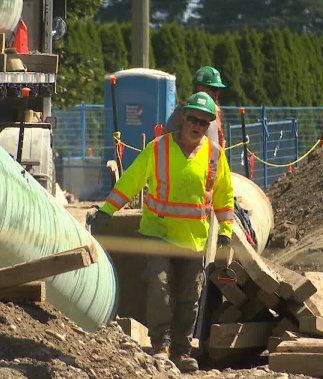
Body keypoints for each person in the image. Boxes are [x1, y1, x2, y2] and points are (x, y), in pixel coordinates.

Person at [88, 92, 234, 372]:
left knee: (189, 296)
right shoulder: (158, 149)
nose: (197, 125)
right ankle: (161, 347)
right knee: (160, 288)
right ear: (182, 118)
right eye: (192, 119)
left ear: (208, 127)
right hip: (158, 232)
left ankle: (181, 350)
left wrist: (225, 233)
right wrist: (107, 210)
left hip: (193, 239)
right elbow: (131, 180)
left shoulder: (215, 155)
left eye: (204, 123)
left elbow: (224, 198)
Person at [165, 66, 227, 147]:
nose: (217, 93)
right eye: (214, 89)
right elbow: (165, 143)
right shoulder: (182, 111)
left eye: (219, 89)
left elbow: (218, 143)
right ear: (200, 89)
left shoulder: (215, 111)